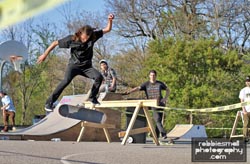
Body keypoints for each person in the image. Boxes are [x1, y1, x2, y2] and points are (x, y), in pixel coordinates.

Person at [37, 14, 115, 112]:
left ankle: (92, 97)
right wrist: (45, 54)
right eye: (83, 38)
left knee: (99, 77)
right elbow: (55, 43)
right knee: (65, 81)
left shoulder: (93, 36)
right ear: (80, 34)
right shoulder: (72, 39)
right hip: (73, 66)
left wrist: (110, 20)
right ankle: (49, 102)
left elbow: (107, 29)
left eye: (87, 39)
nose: (85, 40)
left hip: (87, 67)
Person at [125, 70, 170, 139]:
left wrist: (165, 98)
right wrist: (129, 92)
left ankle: (156, 136)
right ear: (149, 76)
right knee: (157, 118)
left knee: (159, 120)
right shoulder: (146, 84)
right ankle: (163, 134)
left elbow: (168, 90)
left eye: (154, 75)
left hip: (160, 103)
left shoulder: (160, 84)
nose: (152, 77)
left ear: (156, 76)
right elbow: (138, 88)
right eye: (151, 75)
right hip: (151, 103)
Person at [239, 76, 250, 140]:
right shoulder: (243, 90)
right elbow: (242, 101)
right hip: (246, 110)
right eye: (247, 81)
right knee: (245, 125)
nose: (248, 82)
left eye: (249, 81)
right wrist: (244, 110)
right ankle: (245, 138)